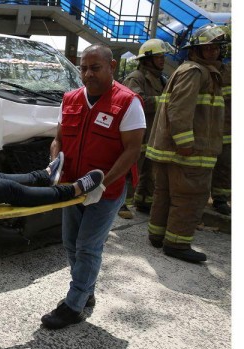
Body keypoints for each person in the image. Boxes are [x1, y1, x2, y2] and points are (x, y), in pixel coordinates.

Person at [41, 44, 146, 330]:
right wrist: (55, 164)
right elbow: (58, 140)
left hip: (106, 191)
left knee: (88, 247)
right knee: (70, 243)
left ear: (112, 67)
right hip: (72, 188)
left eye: (95, 68)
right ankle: (85, 289)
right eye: (83, 68)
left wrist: (104, 184)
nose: (88, 74)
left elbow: (132, 150)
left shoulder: (127, 102)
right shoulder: (71, 99)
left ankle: (74, 305)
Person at [145, 24, 228, 262]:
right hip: (188, 153)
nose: (212, 52)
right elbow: (180, 110)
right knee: (189, 197)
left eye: (216, 48)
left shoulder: (194, 70)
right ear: (195, 51)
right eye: (207, 48)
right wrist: (185, 144)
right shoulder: (195, 72)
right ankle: (177, 244)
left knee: (166, 194)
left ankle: (158, 236)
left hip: (176, 152)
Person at [119, 38, 171, 218]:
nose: (162, 60)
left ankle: (143, 201)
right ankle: (120, 203)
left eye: (163, 56)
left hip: (152, 132)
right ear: (147, 59)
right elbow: (135, 102)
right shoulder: (136, 78)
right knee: (129, 169)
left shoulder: (161, 79)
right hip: (136, 133)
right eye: (158, 57)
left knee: (148, 170)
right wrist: (164, 102)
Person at [210, 31, 231, 215]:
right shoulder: (200, 71)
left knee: (225, 165)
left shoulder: (230, 72)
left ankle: (220, 198)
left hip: (227, 129)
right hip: (206, 129)